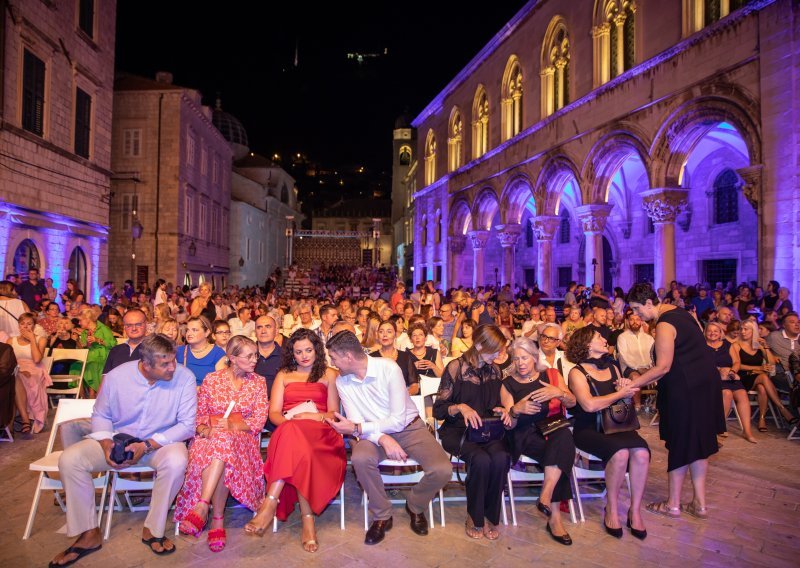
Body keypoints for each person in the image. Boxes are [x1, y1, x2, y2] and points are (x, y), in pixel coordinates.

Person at [48, 335, 196, 566]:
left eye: (173, 360)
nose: (172, 367)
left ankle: (153, 529)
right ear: (146, 365)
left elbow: (187, 425)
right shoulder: (118, 377)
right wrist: (106, 443)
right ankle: (88, 533)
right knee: (70, 459)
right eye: (165, 364)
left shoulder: (184, 378)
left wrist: (147, 445)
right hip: (118, 440)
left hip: (160, 443)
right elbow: (101, 414)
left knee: (178, 460)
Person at [325, 331, 451, 546]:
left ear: (347, 356)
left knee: (442, 470)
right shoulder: (342, 381)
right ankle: (382, 514)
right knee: (360, 459)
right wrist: (382, 438)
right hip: (371, 435)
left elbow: (397, 419)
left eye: (334, 358)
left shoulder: (388, 368)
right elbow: (356, 420)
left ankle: (415, 504)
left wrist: (360, 428)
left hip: (409, 428)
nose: (332, 362)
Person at [626, 283, 724, 520]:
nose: (637, 315)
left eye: (638, 309)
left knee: (680, 443)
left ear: (650, 303)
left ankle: (673, 505)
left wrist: (632, 384)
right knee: (699, 443)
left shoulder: (665, 323)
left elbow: (663, 367)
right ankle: (699, 504)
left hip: (685, 389)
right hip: (705, 385)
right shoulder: (684, 313)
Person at [244, 329, 345, 554]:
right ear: (292, 354)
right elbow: (275, 414)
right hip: (289, 430)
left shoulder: (329, 374)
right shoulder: (284, 375)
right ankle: (307, 521)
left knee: (298, 443)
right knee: (297, 445)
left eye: (308, 350)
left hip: (321, 432)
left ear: (317, 350)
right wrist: (290, 422)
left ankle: (270, 502)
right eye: (298, 352)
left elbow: (332, 414)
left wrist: (311, 416)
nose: (304, 356)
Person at [175, 336, 268, 552]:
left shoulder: (258, 382)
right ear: (232, 358)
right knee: (221, 445)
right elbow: (198, 417)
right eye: (250, 356)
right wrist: (207, 430)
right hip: (208, 439)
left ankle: (202, 505)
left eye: (255, 355)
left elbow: (258, 420)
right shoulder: (211, 379)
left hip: (243, 441)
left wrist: (233, 425)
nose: (255, 360)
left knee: (224, 441)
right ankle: (217, 519)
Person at [565, 327, 650, 539]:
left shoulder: (613, 366)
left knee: (642, 453)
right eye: (599, 337)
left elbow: (622, 401)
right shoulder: (577, 372)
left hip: (616, 425)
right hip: (588, 429)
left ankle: (635, 510)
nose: (604, 339)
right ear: (586, 345)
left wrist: (624, 389)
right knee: (620, 453)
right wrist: (620, 393)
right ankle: (611, 508)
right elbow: (589, 405)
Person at [434, 323, 512, 542]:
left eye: (501, 349)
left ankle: (490, 516)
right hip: (457, 430)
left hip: (486, 430)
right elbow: (439, 408)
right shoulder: (456, 368)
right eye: (495, 349)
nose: (499, 355)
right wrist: (460, 407)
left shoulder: (494, 370)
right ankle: (474, 515)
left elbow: (495, 404)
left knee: (500, 457)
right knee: (480, 460)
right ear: (478, 345)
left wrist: (502, 410)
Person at [501, 336, 576, 545]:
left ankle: (546, 495)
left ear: (534, 357)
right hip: (523, 435)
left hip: (551, 429)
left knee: (563, 436)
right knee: (562, 452)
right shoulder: (507, 384)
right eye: (516, 359)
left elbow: (572, 402)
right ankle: (555, 518)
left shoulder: (551, 375)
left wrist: (558, 393)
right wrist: (516, 410)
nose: (520, 363)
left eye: (524, 358)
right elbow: (508, 424)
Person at [734, 320, 797, 430]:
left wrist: (766, 347)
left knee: (762, 388)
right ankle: (782, 409)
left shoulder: (758, 346)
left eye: (746, 329)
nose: (743, 332)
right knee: (763, 377)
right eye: (741, 329)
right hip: (742, 377)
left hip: (758, 378)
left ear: (753, 331)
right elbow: (738, 366)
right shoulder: (736, 345)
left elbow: (772, 363)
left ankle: (761, 419)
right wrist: (759, 368)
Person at [704, 322, 756, 443]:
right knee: (727, 393)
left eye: (715, 331)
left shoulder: (728, 345)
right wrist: (718, 370)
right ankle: (717, 429)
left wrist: (732, 371)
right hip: (712, 378)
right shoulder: (701, 346)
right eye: (709, 331)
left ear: (720, 333)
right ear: (705, 333)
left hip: (729, 376)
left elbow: (737, 362)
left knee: (742, 394)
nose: (712, 333)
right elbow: (699, 365)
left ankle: (747, 431)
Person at [6, 312, 51, 436]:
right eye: (22, 324)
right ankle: (18, 421)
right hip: (16, 369)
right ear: (18, 326)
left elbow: (37, 359)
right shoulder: (11, 340)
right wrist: (18, 369)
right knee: (14, 377)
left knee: (15, 378)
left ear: (34, 326)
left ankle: (12, 423)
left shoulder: (40, 339)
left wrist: (32, 340)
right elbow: (8, 361)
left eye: (29, 324)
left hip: (34, 369)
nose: (25, 327)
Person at [615, 312, 655, 411]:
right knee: (635, 377)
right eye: (632, 319)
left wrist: (649, 367)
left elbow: (653, 355)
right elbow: (624, 357)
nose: (635, 322)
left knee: (661, 373)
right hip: (630, 368)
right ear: (628, 322)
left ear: (641, 321)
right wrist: (638, 368)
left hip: (648, 367)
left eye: (637, 319)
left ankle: (656, 404)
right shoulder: (622, 337)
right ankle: (637, 406)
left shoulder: (649, 338)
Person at [176, 316, 227, 387]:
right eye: (187, 330)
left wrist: (197, 390)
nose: (189, 333)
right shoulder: (179, 351)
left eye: (194, 330)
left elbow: (221, 384)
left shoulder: (217, 353)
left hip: (207, 396)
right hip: (184, 396)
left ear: (207, 332)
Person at [76, 308, 116, 397]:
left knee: (93, 364)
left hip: (103, 355)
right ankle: (81, 397)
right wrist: (78, 341)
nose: (79, 323)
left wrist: (97, 340)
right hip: (90, 355)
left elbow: (113, 344)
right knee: (76, 366)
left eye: (80, 320)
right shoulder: (84, 332)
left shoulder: (103, 329)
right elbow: (84, 348)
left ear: (87, 319)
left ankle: (93, 394)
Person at [370, 320, 418, 394]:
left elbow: (414, 386)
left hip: (402, 399)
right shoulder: (372, 358)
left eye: (389, 332)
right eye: (381, 332)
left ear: (395, 334)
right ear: (377, 335)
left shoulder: (405, 356)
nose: (384, 335)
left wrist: (404, 395)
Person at [103, 309, 148, 374]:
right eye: (129, 325)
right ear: (124, 327)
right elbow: (105, 379)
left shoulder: (156, 349)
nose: (134, 328)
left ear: (146, 324)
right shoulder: (115, 351)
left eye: (138, 324)